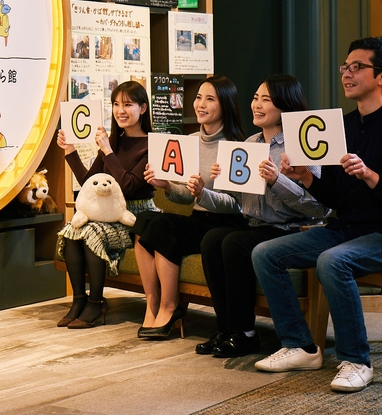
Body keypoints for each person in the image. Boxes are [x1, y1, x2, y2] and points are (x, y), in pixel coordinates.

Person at [252, 37, 382, 393]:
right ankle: (300, 345)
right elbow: (332, 198)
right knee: (265, 253)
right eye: (344, 68)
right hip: (345, 227)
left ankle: (357, 360)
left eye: (356, 67)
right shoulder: (340, 126)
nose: (346, 74)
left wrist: (370, 176)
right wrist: (304, 177)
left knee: (333, 262)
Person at [197, 75, 329, 358]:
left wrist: (276, 179)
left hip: (294, 230)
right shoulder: (250, 143)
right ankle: (228, 329)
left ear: (285, 106)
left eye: (265, 100)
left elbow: (318, 207)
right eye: (256, 98)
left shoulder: (301, 142)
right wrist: (214, 189)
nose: (256, 105)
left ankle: (245, 333)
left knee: (233, 242)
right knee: (212, 239)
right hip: (259, 225)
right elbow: (239, 202)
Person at [135, 75, 246, 339]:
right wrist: (168, 186)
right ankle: (153, 305)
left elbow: (238, 205)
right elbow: (186, 197)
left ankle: (169, 306)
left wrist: (203, 193)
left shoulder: (238, 145)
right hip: (199, 219)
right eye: (198, 97)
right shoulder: (189, 140)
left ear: (226, 105)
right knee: (145, 220)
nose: (201, 104)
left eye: (210, 99)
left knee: (163, 225)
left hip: (226, 223)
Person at [55, 81, 156, 329]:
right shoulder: (112, 142)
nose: (120, 110)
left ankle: (97, 303)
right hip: (107, 214)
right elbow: (89, 182)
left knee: (91, 232)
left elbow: (130, 185)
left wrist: (109, 153)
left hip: (136, 216)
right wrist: (70, 151)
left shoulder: (151, 145)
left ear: (142, 108)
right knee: (71, 231)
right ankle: (79, 300)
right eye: (116, 104)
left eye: (128, 104)